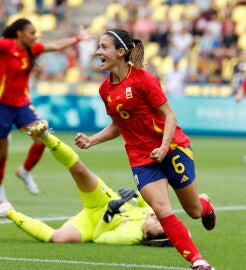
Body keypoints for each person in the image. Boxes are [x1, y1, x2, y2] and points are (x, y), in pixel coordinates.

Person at [74, 29, 216, 270]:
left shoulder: (144, 80)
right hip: (141, 158)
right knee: (161, 209)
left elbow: (169, 116)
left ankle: (206, 206)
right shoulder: (105, 90)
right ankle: (198, 262)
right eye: (98, 47)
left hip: (172, 148)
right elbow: (118, 125)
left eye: (103, 47)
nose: (98, 52)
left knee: (193, 210)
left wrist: (162, 148)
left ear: (121, 52)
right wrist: (91, 141)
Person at [0, 120, 172, 247]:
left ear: (147, 236)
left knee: (58, 239)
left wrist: (107, 217)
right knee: (79, 170)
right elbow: (146, 203)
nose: (156, 219)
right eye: (160, 221)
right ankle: (46, 135)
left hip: (92, 222)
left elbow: (98, 237)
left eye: (157, 226)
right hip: (103, 199)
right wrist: (135, 195)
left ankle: (7, 211)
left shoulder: (131, 236)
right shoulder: (150, 213)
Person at [0, 18, 90, 203]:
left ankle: (24, 172)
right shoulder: (6, 45)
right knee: (2, 153)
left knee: (42, 138)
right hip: (1, 106)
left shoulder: (32, 49)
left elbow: (56, 45)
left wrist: (78, 38)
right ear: (20, 33)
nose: (35, 36)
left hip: (22, 105)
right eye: (32, 33)